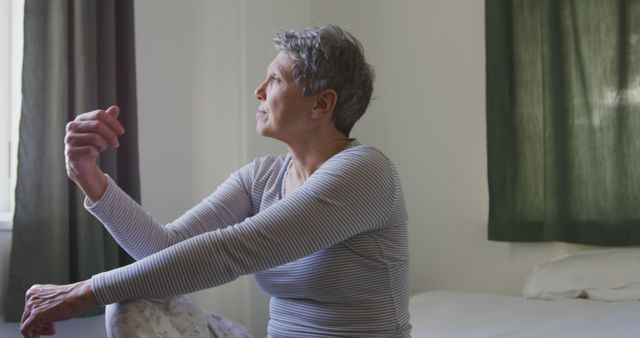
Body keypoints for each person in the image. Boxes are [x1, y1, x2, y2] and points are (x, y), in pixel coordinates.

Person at [20, 24, 410, 338]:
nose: (258, 91)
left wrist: (82, 292)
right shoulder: (263, 177)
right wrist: (89, 176)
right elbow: (162, 248)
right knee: (132, 302)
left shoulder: (366, 171)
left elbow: (234, 251)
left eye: (274, 80)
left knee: (118, 291)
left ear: (321, 104)